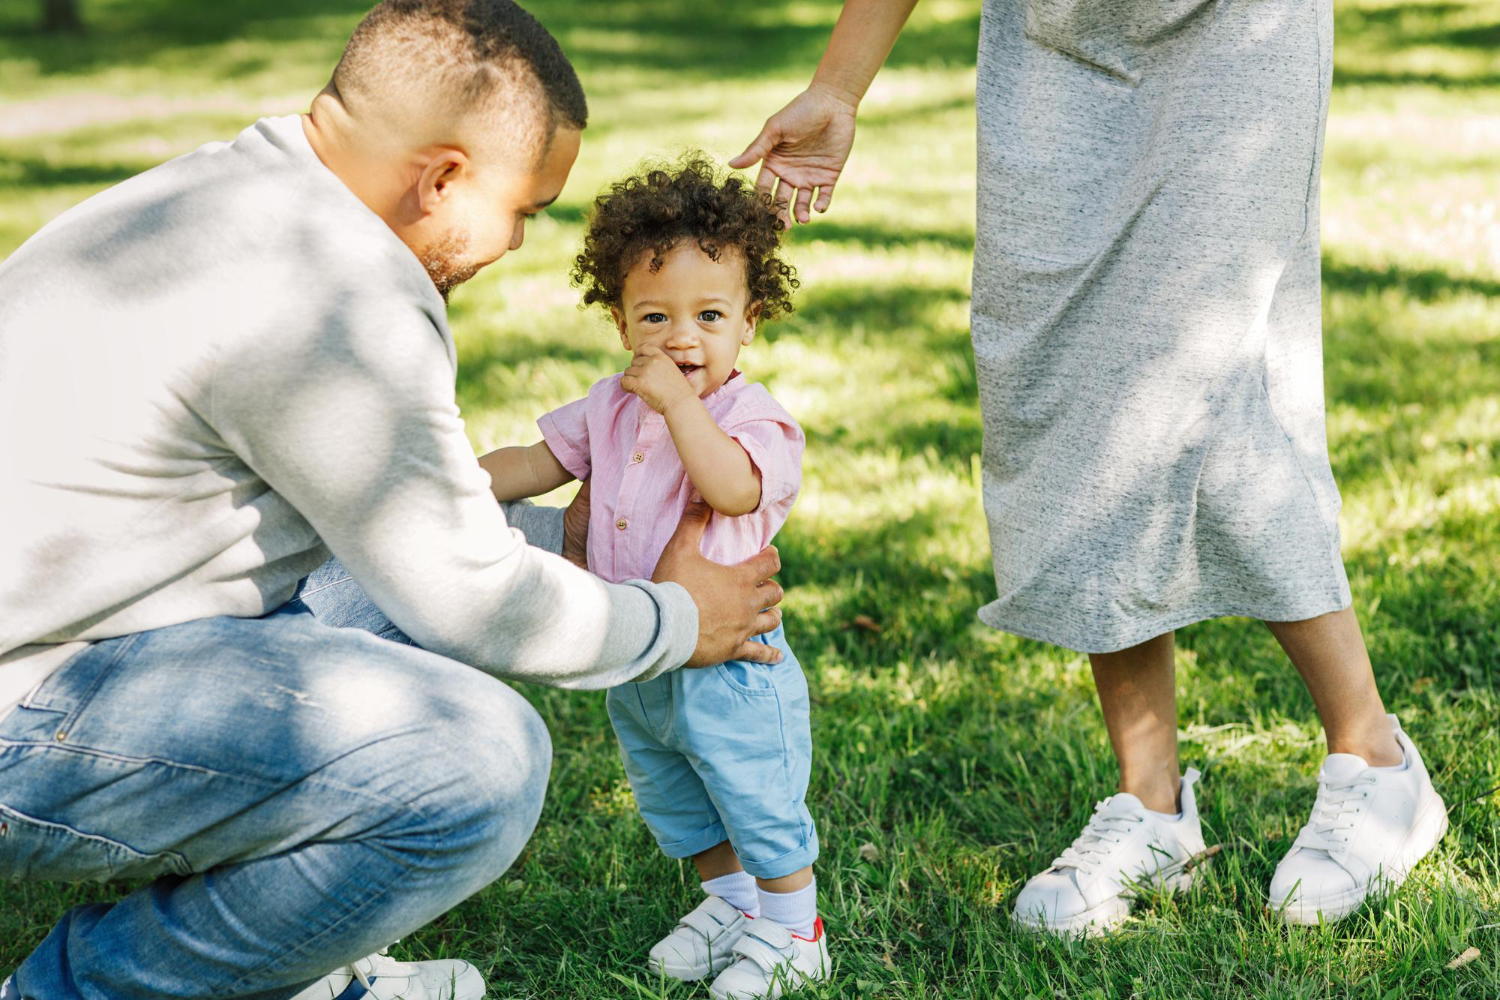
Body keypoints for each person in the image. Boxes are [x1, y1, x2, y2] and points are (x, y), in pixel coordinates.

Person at [0, 2, 785, 997]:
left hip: (65, 631)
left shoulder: (226, 192)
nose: (515, 244)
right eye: (525, 212)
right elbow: (472, 597)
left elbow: (418, 526)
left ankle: (290, 964)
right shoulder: (335, 287)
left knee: (426, 577)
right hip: (25, 706)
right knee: (478, 763)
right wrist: (680, 619)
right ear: (444, 177)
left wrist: (577, 542)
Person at [729, 0, 1447, 936]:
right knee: (1068, 382)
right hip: (1052, 45)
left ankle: (1375, 760)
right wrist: (839, 83)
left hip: (1232, 30)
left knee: (1205, 379)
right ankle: (1150, 806)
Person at [484, 156, 828, 1000]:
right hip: (636, 650)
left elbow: (734, 489)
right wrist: (450, 482)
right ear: (619, 321)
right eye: (655, 316)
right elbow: (536, 461)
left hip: (731, 661)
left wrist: (678, 406)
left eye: (709, 315)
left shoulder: (751, 416)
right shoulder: (609, 402)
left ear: (748, 322)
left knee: (752, 793)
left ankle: (795, 932)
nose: (682, 338)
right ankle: (732, 902)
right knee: (674, 793)